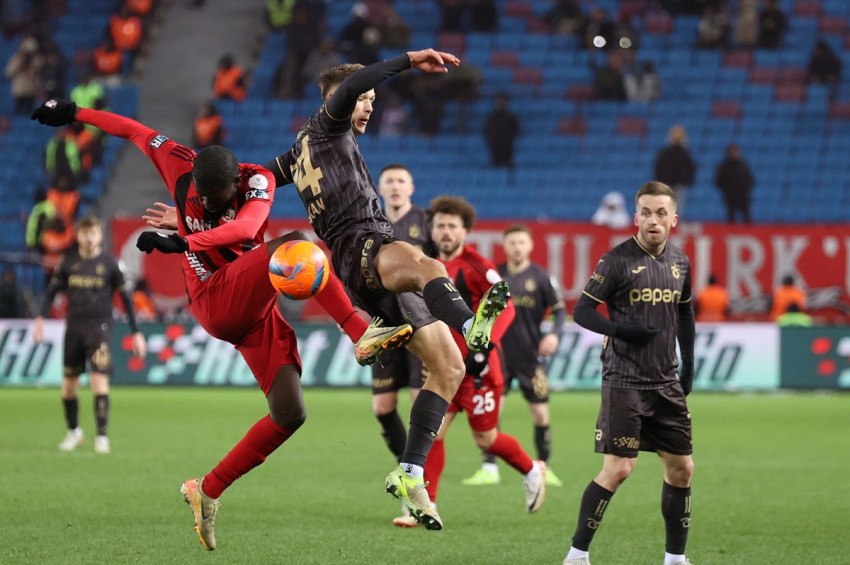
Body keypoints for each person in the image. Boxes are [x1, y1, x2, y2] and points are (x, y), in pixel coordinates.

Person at [31, 97, 414, 551]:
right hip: (213, 298)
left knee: (290, 414)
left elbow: (241, 229)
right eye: (202, 197)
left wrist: (184, 240)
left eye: (217, 198)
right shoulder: (178, 163)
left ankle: (207, 489)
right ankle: (359, 331)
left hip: (253, 312)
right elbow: (132, 129)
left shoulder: (259, 181)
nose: (209, 203)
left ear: (235, 181)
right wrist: (75, 113)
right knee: (292, 246)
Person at [264, 49, 511, 531]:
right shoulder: (326, 125)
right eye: (364, 98)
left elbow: (253, 184)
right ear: (339, 98)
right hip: (364, 242)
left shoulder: (295, 154)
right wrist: (411, 59)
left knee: (449, 366)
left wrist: (187, 227)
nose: (370, 106)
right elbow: (354, 87)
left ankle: (410, 472)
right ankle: (470, 323)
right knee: (427, 264)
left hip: (356, 264)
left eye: (374, 99)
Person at [562, 181, 695, 565]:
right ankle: (577, 555)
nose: (654, 220)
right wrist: (623, 331)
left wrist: (689, 361)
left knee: (682, 467)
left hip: (665, 380)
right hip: (625, 380)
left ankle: (675, 559)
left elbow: (684, 313)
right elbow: (582, 311)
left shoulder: (680, 262)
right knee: (619, 469)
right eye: (646, 213)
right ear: (635, 217)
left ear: (674, 218)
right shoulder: (616, 260)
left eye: (661, 213)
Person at [398, 196, 543, 527]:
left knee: (486, 439)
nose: (446, 232)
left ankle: (533, 469)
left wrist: (485, 346)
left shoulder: (478, 266)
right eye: (440, 226)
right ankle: (427, 504)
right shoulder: (425, 263)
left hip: (481, 369)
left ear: (464, 231)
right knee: (434, 432)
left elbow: (506, 306)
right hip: (445, 366)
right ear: (432, 231)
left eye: (452, 226)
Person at [32, 215, 147, 455]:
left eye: (93, 233)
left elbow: (126, 299)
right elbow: (51, 292)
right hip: (73, 328)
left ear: (100, 235)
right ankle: (74, 432)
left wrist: (136, 332)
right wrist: (40, 319)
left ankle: (102, 437)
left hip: (100, 328)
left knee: (99, 382)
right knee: (68, 387)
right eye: (85, 233)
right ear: (78, 235)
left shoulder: (110, 263)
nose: (89, 238)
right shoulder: (68, 262)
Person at [463, 223, 567, 487]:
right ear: (504, 246)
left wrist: (554, 333)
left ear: (530, 246)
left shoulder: (542, 277)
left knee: (541, 415)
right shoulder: (494, 276)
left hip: (531, 359)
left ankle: (544, 466)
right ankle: (489, 468)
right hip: (498, 357)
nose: (517, 247)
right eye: (512, 243)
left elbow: (560, 310)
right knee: (493, 416)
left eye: (522, 242)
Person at [653, 125, 696, 215]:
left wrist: (687, 180)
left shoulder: (684, 153)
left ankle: (674, 226)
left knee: (677, 207)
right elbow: (658, 167)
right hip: (667, 184)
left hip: (678, 184)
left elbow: (691, 168)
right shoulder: (665, 153)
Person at [714, 143, 754, 224]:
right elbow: (719, 181)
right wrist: (726, 190)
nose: (734, 153)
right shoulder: (724, 167)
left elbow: (749, 179)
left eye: (736, 151)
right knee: (731, 217)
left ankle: (749, 232)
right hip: (730, 196)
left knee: (747, 216)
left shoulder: (743, 165)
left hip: (743, 195)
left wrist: (746, 188)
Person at [483, 93, 520, 168]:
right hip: (494, 146)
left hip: (507, 145)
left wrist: (508, 138)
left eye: (502, 101)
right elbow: (487, 130)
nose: (500, 103)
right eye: (498, 101)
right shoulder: (491, 118)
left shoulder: (511, 117)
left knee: (507, 164)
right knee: (495, 165)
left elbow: (516, 129)